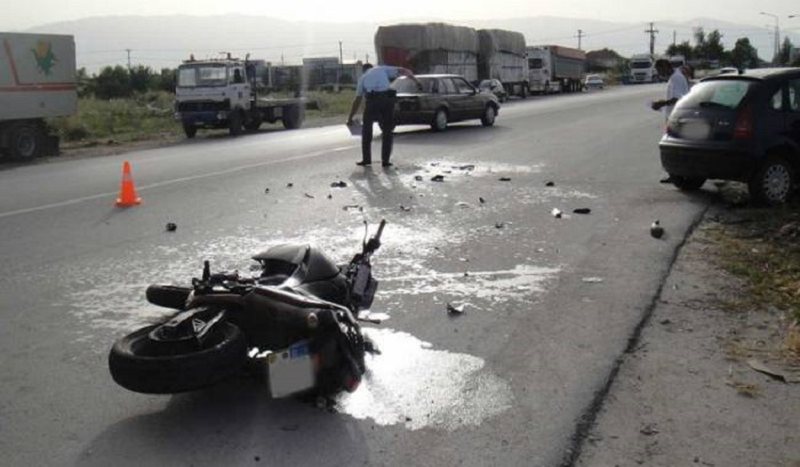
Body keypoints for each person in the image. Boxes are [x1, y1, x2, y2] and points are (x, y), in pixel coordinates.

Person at [347, 63, 420, 168]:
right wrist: (416, 81)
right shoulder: (382, 69)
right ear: (372, 67)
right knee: (387, 131)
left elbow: (357, 100)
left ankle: (366, 159)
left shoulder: (363, 78)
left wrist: (350, 118)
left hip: (372, 101)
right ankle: (385, 161)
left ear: (364, 70)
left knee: (367, 130)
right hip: (387, 100)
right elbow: (404, 70)